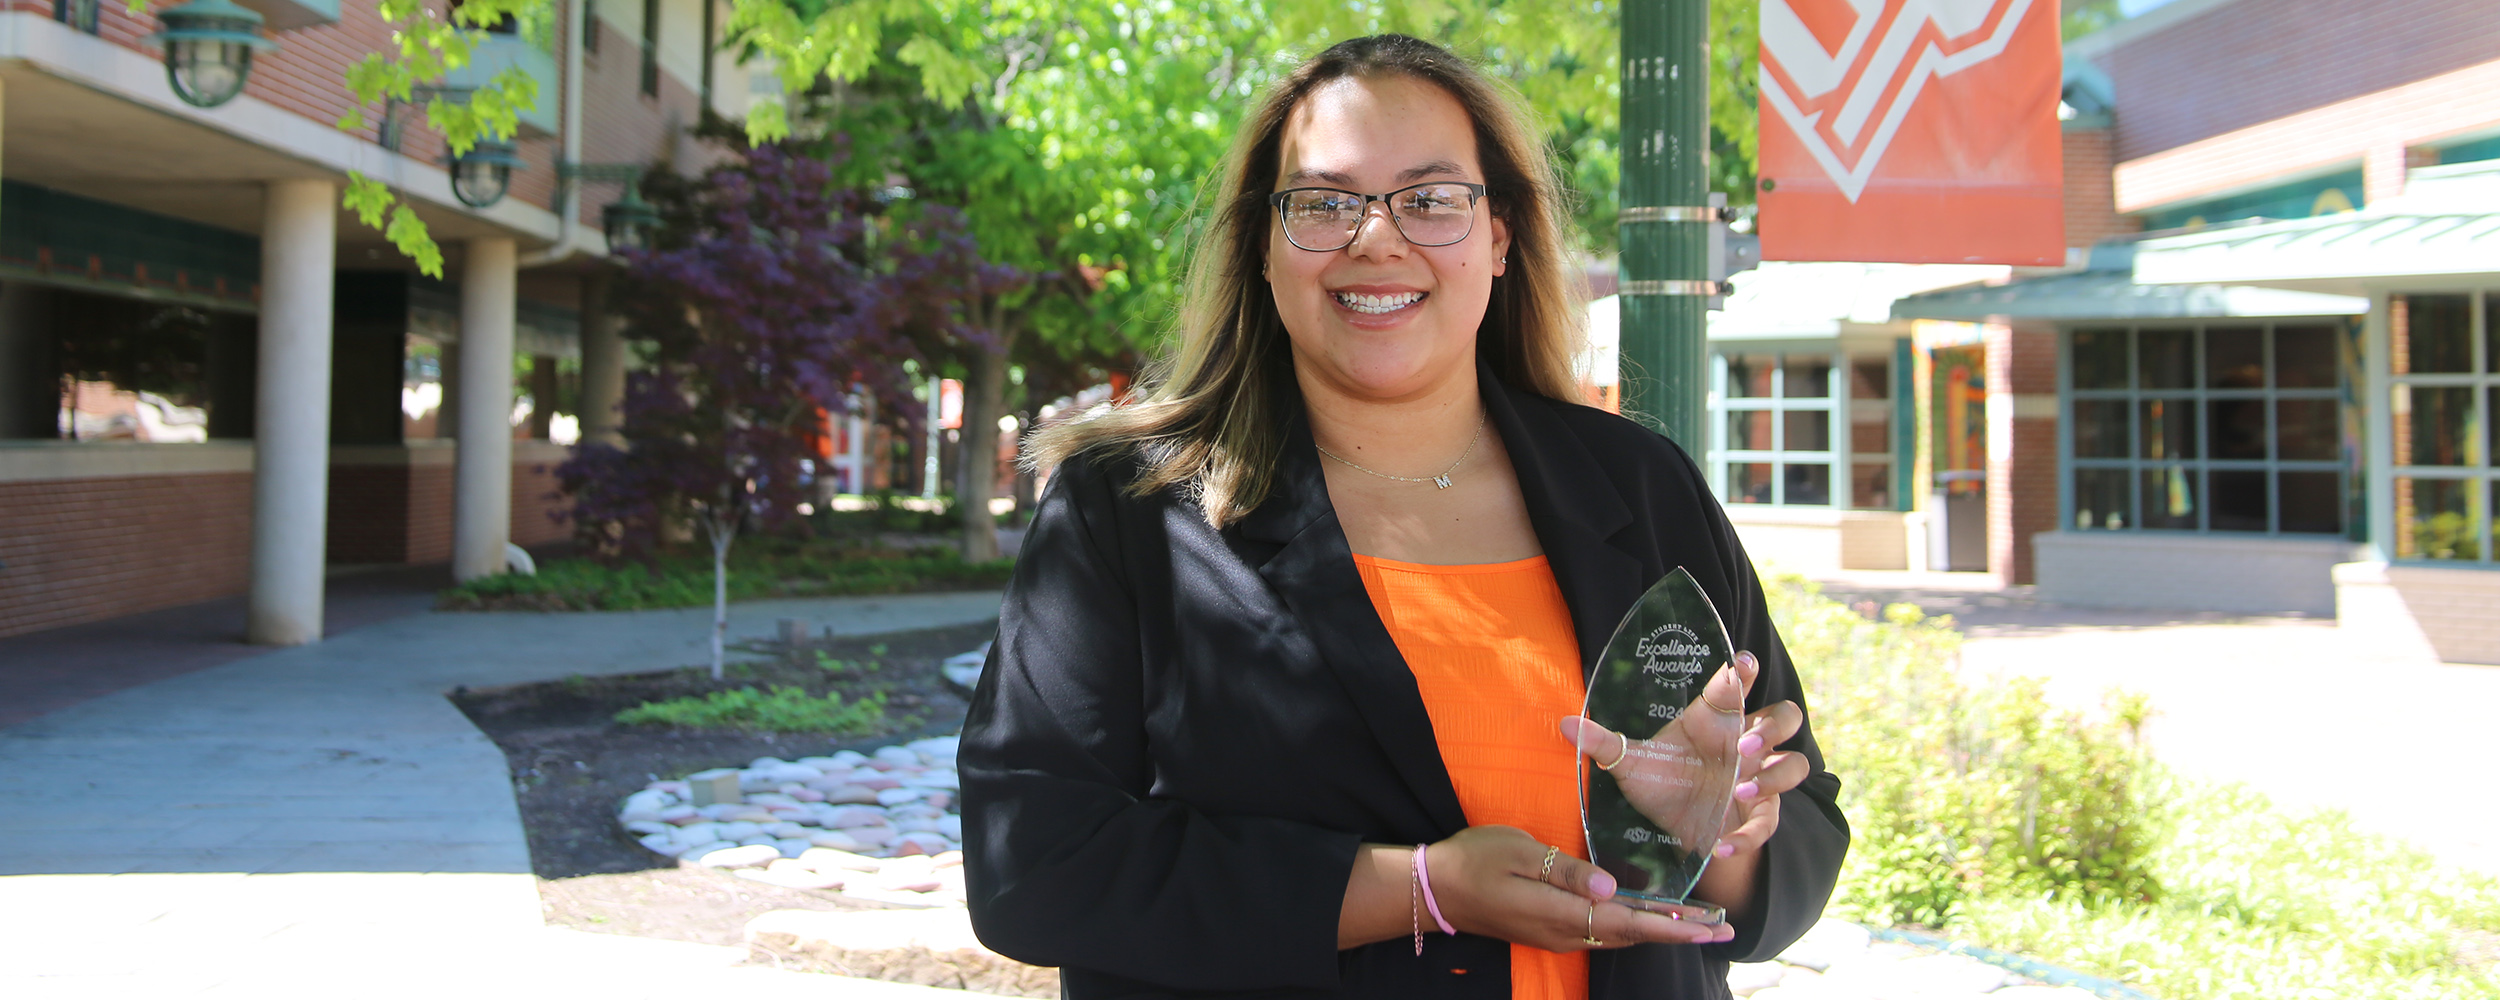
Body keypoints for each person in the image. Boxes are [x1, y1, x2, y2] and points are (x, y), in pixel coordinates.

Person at [961, 33, 1847, 1000]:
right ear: (1263, 243)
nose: (1375, 238)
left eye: (1430, 200)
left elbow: (1795, 845)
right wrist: (1421, 890)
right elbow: (1035, 867)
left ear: (1499, 237)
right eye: (1325, 202)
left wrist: (1720, 832)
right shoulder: (1127, 508)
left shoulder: (1640, 485)